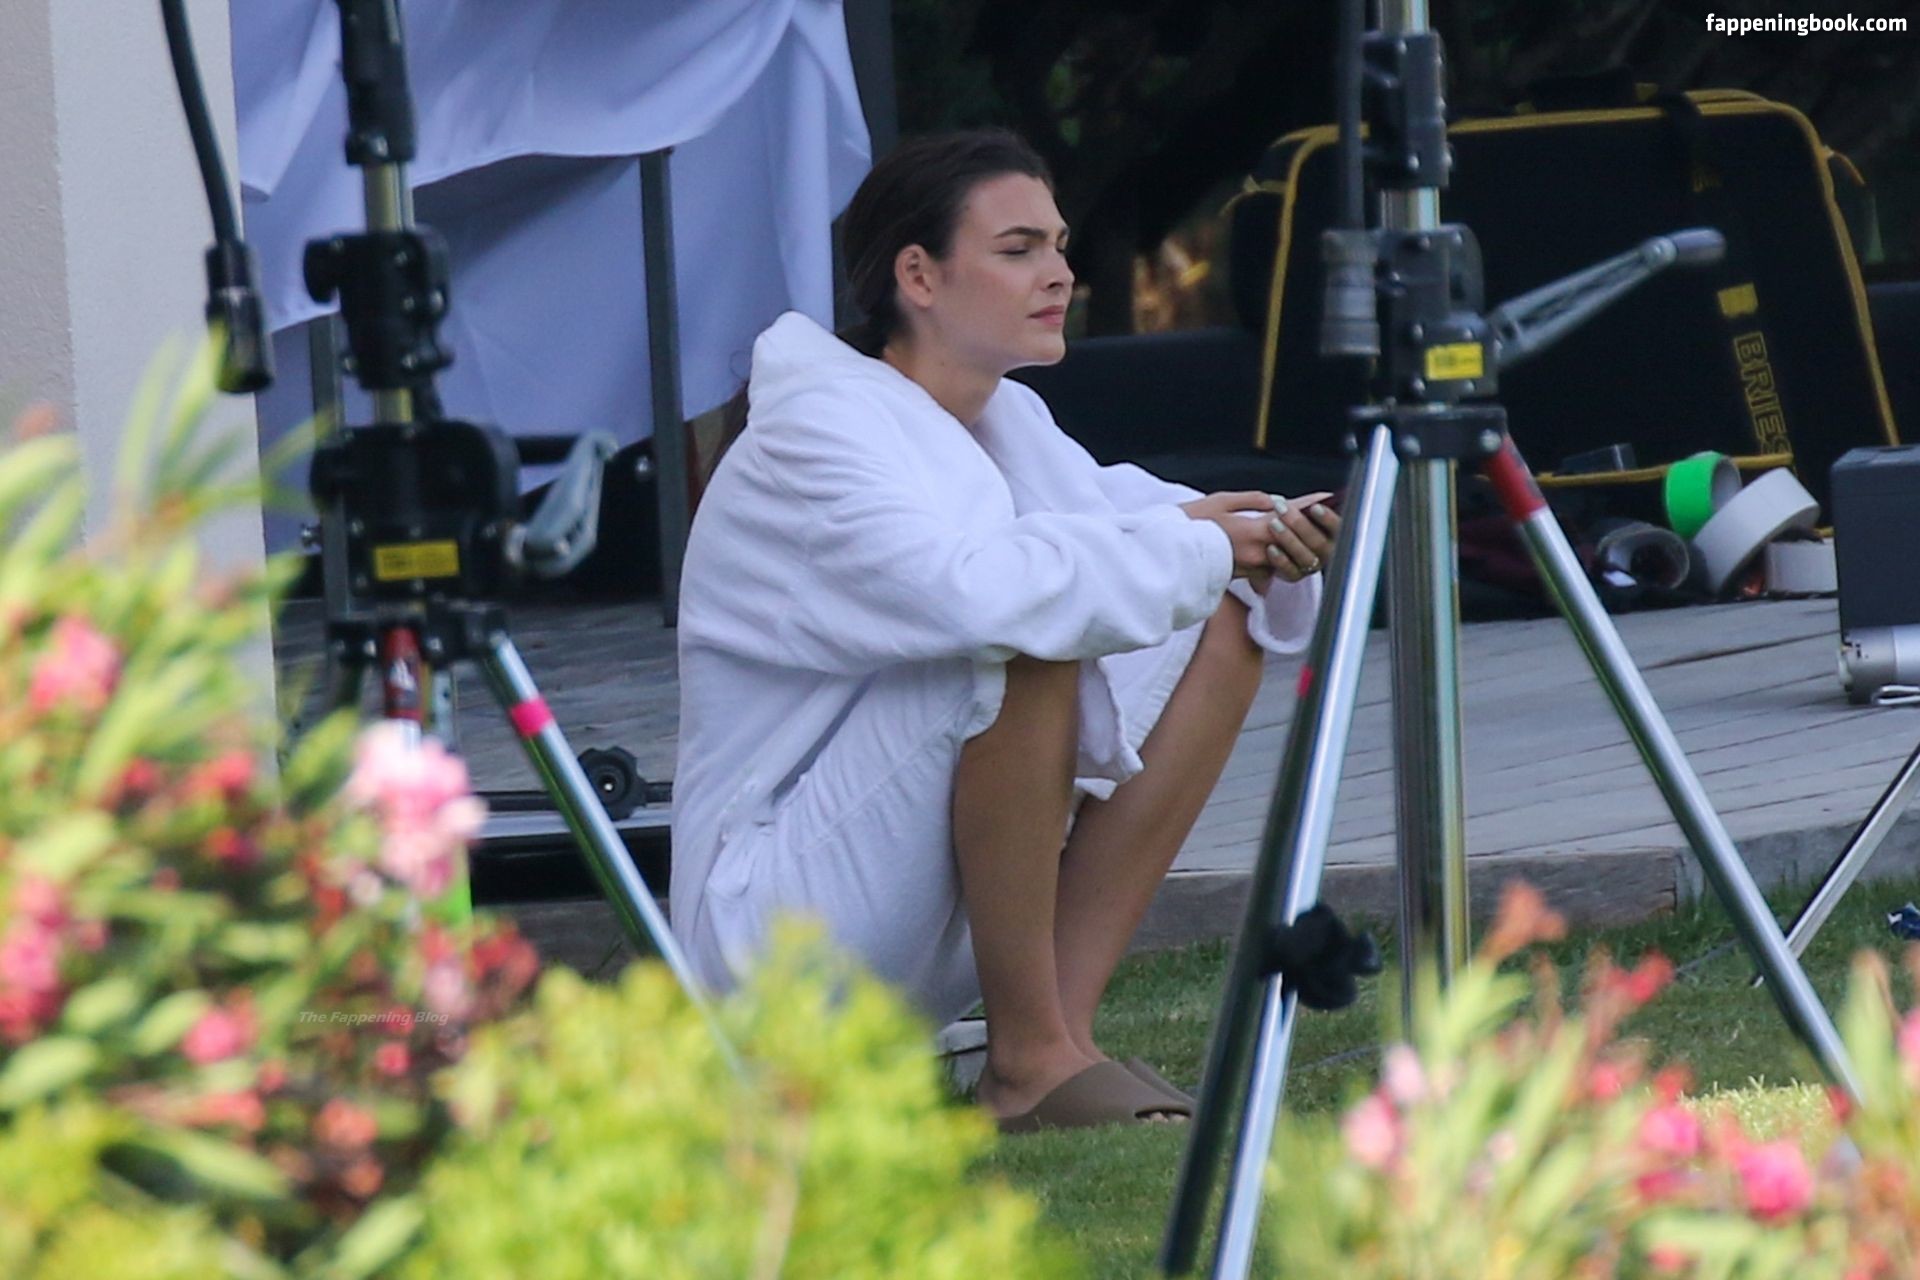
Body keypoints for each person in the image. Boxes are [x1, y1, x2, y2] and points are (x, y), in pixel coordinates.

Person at [669, 130, 1338, 1132]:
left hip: (892, 907)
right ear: (919, 276)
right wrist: (1196, 542)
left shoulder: (1004, 418)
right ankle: (1027, 1058)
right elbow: (981, 593)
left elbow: (1123, 527)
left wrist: (1259, 535)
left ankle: (1058, 1033)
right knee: (1028, 630)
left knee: (1224, 613)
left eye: (1059, 246)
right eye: (1019, 249)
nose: (1059, 273)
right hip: (769, 939)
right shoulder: (814, 429)